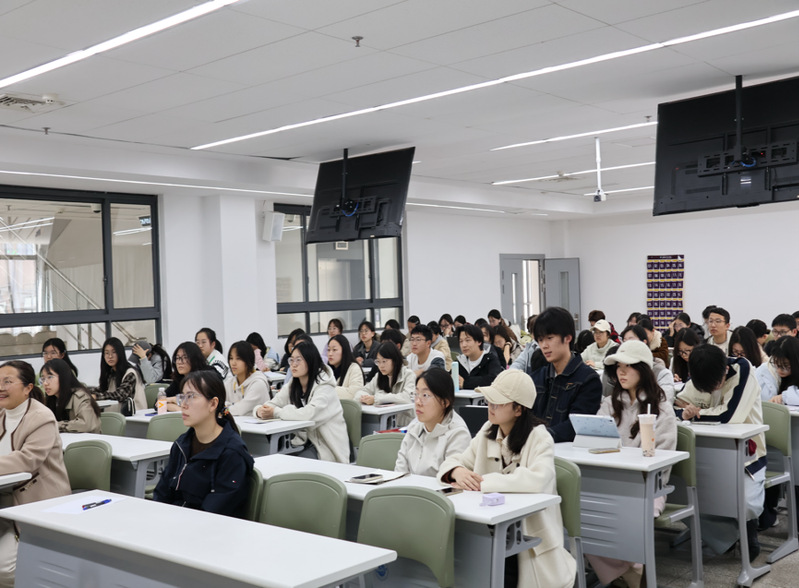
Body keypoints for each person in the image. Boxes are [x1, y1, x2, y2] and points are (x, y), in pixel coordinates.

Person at [438, 370, 577, 588]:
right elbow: (454, 461)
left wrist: (483, 483)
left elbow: (538, 479)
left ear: (519, 409)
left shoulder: (539, 437)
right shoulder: (488, 430)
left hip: (530, 541)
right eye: (489, 401)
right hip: (491, 531)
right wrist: (457, 471)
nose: (490, 407)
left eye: (497, 403)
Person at [589, 340, 678, 588]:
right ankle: (631, 571)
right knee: (585, 516)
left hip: (647, 487)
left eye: (628, 366)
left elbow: (663, 458)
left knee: (629, 516)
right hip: (610, 482)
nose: (621, 372)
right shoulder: (610, 403)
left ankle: (628, 572)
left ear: (643, 370)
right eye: (618, 366)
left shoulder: (661, 407)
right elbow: (595, 442)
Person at [674, 344, 767, 559]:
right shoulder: (701, 371)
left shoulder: (743, 369)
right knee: (680, 494)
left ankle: (747, 530)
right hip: (704, 448)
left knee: (744, 503)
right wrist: (685, 413)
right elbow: (676, 405)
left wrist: (693, 414)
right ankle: (728, 537)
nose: (713, 389)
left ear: (725, 369)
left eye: (716, 385)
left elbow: (729, 416)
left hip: (746, 454)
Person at [0, 360, 71, 587]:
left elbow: (27, 460)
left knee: (4, 568)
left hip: (35, 501)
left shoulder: (42, 417)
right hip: (5, 499)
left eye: (7, 382)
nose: (1, 387)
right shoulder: (2, 414)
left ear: (28, 387)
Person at [153, 370, 253, 517]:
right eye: (183, 397)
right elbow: (161, 493)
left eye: (191, 397)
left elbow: (214, 511)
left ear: (213, 404)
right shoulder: (182, 444)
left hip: (206, 527)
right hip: (174, 521)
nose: (184, 405)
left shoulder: (232, 453)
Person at [254, 341, 349, 462]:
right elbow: (272, 404)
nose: (293, 364)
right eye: (291, 360)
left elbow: (309, 414)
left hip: (326, 448)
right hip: (301, 443)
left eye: (298, 360)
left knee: (287, 463)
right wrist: (259, 411)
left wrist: (276, 412)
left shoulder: (325, 387)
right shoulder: (294, 384)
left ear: (310, 361)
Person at [530, 306, 602, 443]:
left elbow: (576, 425)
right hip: (535, 449)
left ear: (568, 338)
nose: (544, 345)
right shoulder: (536, 378)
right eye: (540, 340)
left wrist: (540, 437)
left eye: (549, 338)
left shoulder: (588, 380)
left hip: (567, 452)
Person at [394, 368, 471, 477]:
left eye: (425, 395)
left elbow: (450, 479)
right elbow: (399, 472)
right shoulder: (414, 427)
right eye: (416, 394)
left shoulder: (458, 434)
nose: (418, 402)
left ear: (445, 402)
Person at [353, 342, 415, 426]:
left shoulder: (408, 375)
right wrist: (365, 398)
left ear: (394, 360)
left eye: (384, 361)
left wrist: (377, 398)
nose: (381, 366)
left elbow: (406, 397)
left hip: (404, 424)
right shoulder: (378, 376)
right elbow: (362, 391)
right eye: (378, 361)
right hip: (384, 423)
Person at [609, 325, 675, 402]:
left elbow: (665, 401)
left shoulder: (661, 372)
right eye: (624, 341)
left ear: (644, 342)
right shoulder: (616, 368)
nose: (626, 344)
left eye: (631, 340)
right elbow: (608, 399)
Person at [41, 358, 101, 433]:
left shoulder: (80, 396)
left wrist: (56, 425)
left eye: (50, 377)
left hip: (89, 439)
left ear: (63, 377)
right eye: (43, 379)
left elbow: (86, 424)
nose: (45, 383)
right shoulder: (52, 399)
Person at [91, 337, 146, 414]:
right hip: (116, 416)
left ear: (120, 354)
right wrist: (84, 391)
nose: (110, 356)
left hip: (135, 417)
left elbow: (120, 395)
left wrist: (96, 396)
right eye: (107, 353)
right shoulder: (111, 373)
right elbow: (101, 389)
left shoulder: (130, 373)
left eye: (114, 352)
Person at [225, 341, 270, 416]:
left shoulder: (258, 383)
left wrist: (226, 407)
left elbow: (240, 410)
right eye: (231, 358)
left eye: (238, 358)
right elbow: (218, 405)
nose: (233, 363)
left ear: (248, 360)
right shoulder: (230, 383)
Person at [456, 324, 503, 389]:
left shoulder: (490, 360)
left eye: (467, 340)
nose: (464, 345)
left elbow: (494, 380)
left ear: (479, 341)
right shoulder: (460, 361)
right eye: (460, 341)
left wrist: (465, 383)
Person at [756, 335, 799, 405]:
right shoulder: (764, 370)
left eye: (785, 366)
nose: (779, 370)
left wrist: (784, 397)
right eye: (776, 364)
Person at [327, 334, 364, 400]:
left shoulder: (354, 368)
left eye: (334, 350)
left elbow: (354, 393)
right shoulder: (326, 371)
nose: (330, 354)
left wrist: (327, 389)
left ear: (344, 351)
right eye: (328, 350)